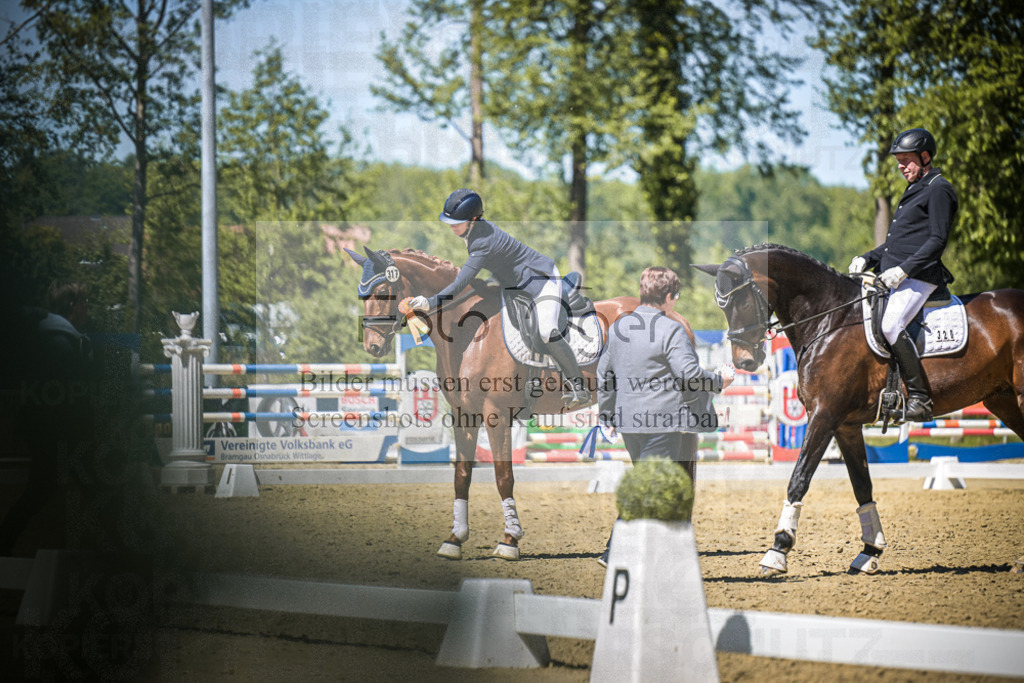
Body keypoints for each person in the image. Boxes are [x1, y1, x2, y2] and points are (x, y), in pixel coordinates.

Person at [595, 266, 734, 566]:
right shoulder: (671, 329)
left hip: (629, 424)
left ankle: (655, 551)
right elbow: (689, 375)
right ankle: (613, 550)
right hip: (661, 422)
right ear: (669, 297)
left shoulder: (618, 328)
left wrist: (607, 416)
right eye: (676, 297)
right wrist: (719, 381)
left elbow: (604, 376)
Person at [404, 188, 590, 407]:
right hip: (514, 282)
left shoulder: (481, 242)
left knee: (546, 330)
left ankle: (578, 385)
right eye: (450, 222)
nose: (452, 226)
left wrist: (431, 302)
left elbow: (460, 283)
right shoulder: (472, 232)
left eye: (457, 222)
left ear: (473, 220)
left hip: (540, 279)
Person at [848, 127, 958, 422]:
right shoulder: (915, 188)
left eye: (906, 160)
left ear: (925, 157)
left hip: (921, 276)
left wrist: (903, 270)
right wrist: (868, 258)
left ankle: (920, 399)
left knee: (891, 325)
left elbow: (937, 241)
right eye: (898, 161)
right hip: (901, 274)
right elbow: (897, 244)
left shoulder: (939, 188)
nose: (900, 166)